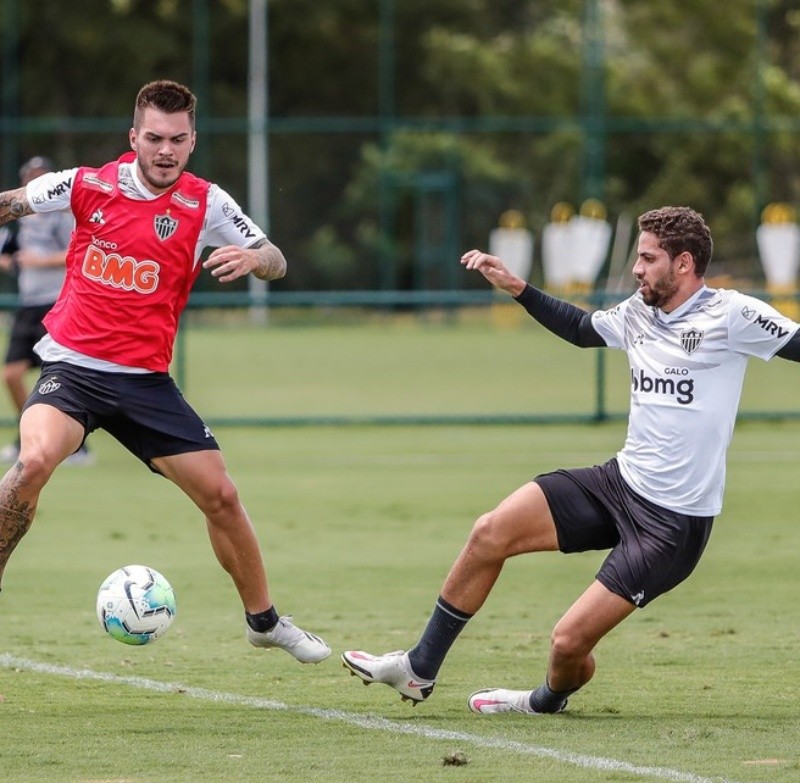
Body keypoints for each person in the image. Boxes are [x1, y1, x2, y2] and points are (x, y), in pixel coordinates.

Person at [342, 206, 800, 712]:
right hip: (618, 484)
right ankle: (418, 668)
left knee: (566, 646)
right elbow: (582, 328)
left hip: (672, 525)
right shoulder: (639, 311)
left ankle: (543, 701)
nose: (637, 269)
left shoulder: (732, 314)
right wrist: (518, 288)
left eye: (647, 259)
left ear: (684, 263)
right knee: (490, 531)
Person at [0, 79, 330, 664]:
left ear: (192, 141)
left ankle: (265, 622)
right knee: (32, 463)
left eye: (177, 140)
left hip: (144, 382)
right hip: (72, 370)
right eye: (154, 137)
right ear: (134, 137)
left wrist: (256, 258)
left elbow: (277, 259)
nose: (165, 150)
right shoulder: (84, 184)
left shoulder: (208, 202)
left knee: (222, 496)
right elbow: (11, 202)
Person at [0, 156, 92, 466]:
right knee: (11, 374)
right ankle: (29, 437)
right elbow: (9, 254)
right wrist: (14, 262)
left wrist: (38, 261)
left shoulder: (62, 218)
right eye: (31, 177)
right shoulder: (22, 221)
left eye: (42, 177)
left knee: (56, 378)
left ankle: (74, 446)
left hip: (56, 302)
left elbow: (76, 253)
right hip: (28, 304)